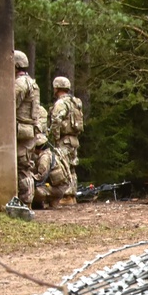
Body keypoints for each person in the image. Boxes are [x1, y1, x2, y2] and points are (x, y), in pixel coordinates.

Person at [48, 76, 84, 205]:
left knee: (63, 167)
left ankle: (66, 195)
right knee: (72, 166)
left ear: (57, 88)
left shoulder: (61, 103)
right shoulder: (75, 102)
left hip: (64, 139)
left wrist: (54, 136)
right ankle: (72, 196)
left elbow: (56, 120)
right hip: (74, 139)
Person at [14, 50, 40, 208]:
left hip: (21, 130)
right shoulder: (31, 82)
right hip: (29, 130)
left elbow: (10, 105)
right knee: (26, 167)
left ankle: (24, 203)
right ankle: (26, 203)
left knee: (22, 168)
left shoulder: (20, 84)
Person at [31, 133, 72, 210]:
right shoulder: (51, 153)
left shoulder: (44, 158)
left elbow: (40, 177)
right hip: (61, 186)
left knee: (33, 188)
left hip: (58, 188)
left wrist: (28, 175)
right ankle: (53, 200)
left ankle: (50, 199)